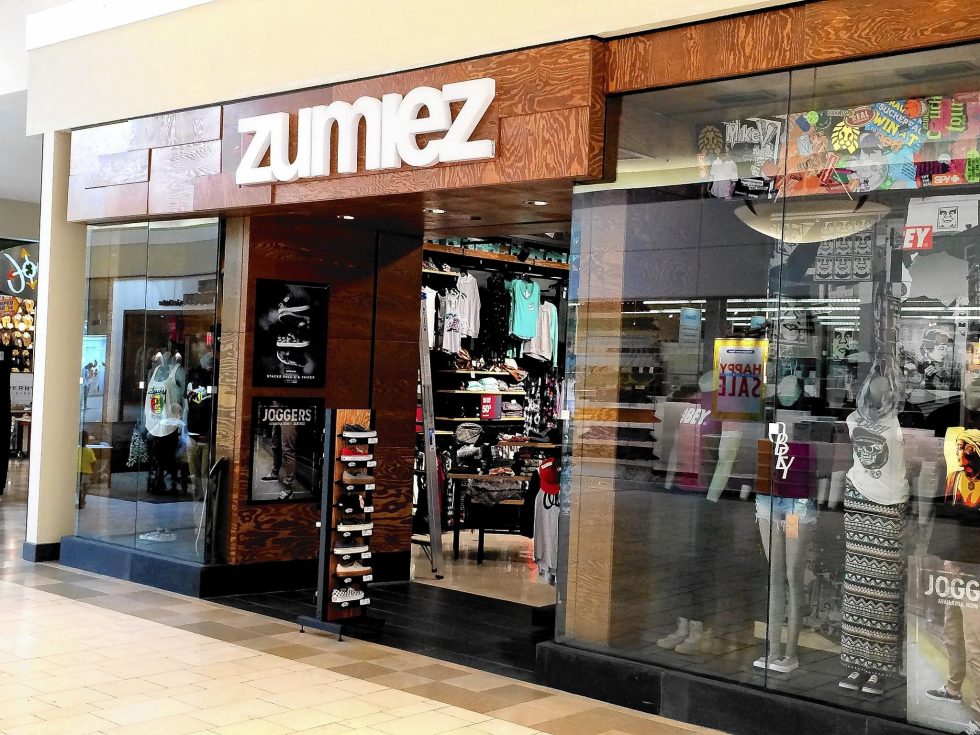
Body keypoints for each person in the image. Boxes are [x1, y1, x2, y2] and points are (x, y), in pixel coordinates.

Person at [926, 428, 980, 735]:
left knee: (975, 644)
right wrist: (946, 556)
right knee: (953, 632)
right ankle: (953, 687)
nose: (961, 456)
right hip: (958, 562)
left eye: (967, 451)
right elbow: (949, 511)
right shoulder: (957, 473)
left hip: (972, 567)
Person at [77, 430, 96, 509]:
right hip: (86, 472)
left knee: (78, 487)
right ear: (87, 440)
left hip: (78, 472)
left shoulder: (77, 450)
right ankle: (83, 498)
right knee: (85, 487)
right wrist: (93, 471)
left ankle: (80, 499)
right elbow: (93, 462)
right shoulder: (89, 450)